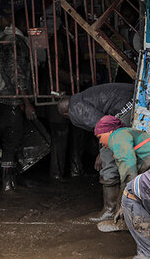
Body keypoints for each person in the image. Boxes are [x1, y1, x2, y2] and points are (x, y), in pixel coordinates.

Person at [57, 83, 135, 221]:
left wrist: (101, 152)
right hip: (131, 100)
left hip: (125, 107)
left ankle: (110, 210)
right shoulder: (80, 99)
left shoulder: (76, 109)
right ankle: (118, 206)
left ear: (66, 114)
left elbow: (104, 125)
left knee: (108, 159)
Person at [0, 20, 36, 192]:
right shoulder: (14, 43)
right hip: (10, 101)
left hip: (3, 100)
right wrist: (27, 103)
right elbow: (17, 76)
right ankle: (7, 185)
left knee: (10, 142)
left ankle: (10, 182)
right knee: (11, 142)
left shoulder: (7, 41)